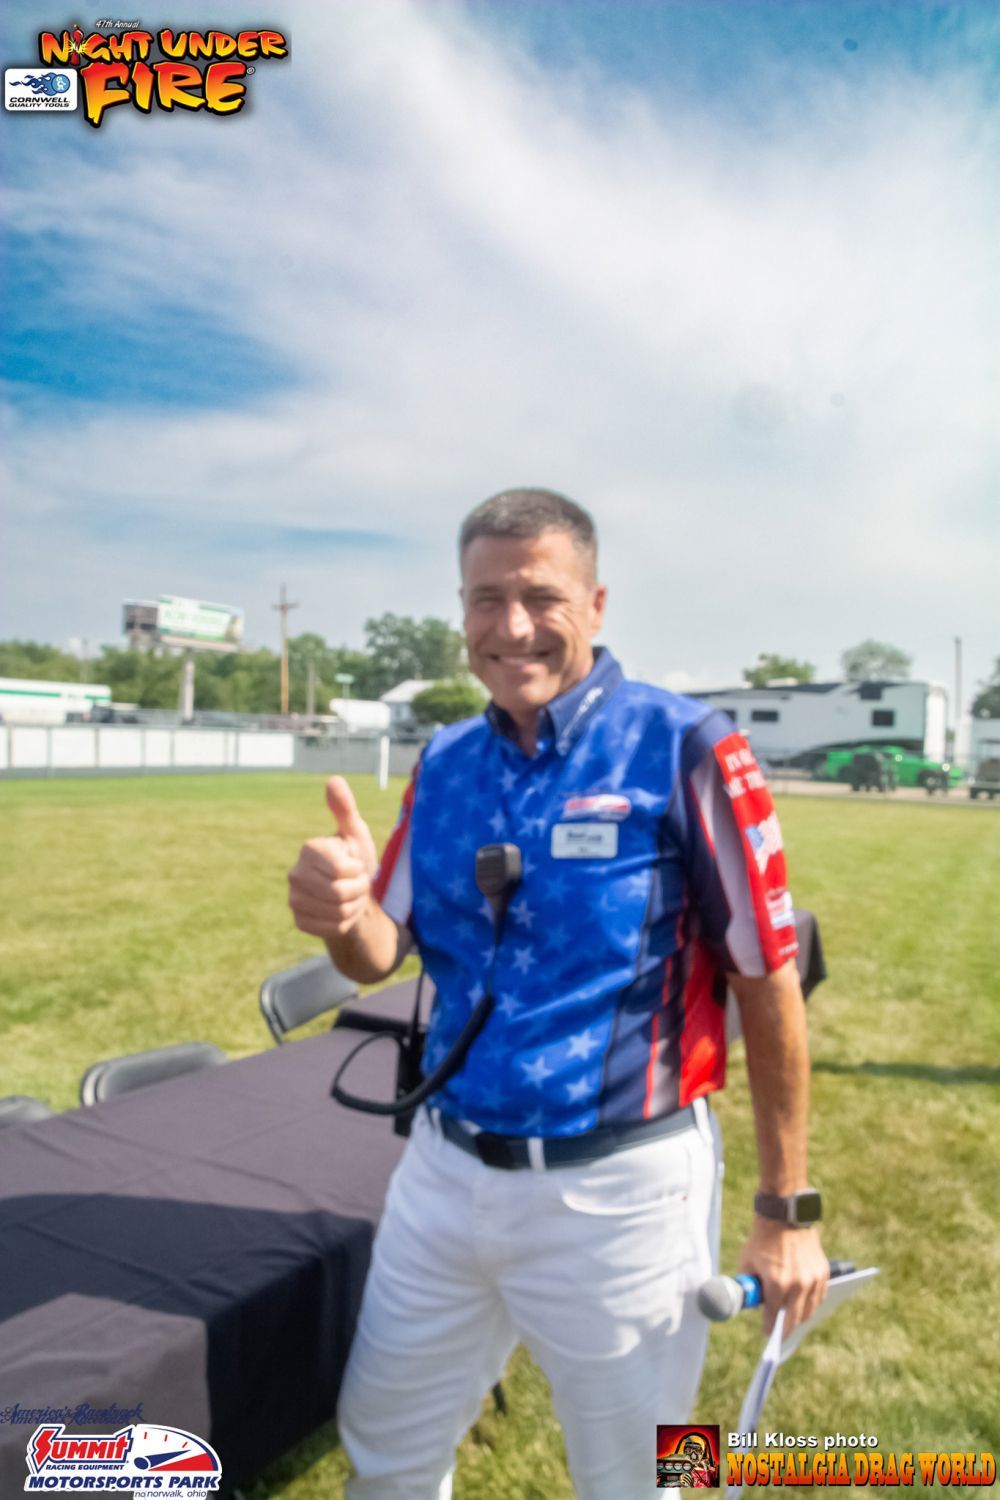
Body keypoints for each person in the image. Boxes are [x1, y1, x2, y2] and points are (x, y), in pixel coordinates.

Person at [287, 488, 828, 1499]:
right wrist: (345, 908)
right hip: (442, 1180)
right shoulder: (444, 760)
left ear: (597, 601)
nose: (513, 626)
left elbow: (767, 973)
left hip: (622, 1190)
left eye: (541, 595)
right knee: (385, 1451)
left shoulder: (686, 746)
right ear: (461, 611)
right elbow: (378, 953)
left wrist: (786, 1209)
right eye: (486, 599)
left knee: (649, 1477)